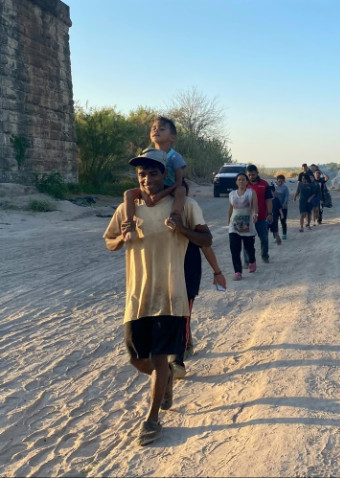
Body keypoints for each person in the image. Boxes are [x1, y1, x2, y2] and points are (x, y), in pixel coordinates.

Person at [103, 148, 212, 447]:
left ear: (164, 175)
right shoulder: (128, 209)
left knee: (159, 357)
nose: (147, 178)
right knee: (137, 359)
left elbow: (206, 239)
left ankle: (151, 419)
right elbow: (110, 243)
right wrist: (121, 235)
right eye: (142, 174)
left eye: (153, 173)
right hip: (138, 296)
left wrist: (183, 229)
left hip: (171, 294)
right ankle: (162, 383)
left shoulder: (185, 205)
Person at [121, 117, 187, 242]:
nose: (156, 130)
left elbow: (179, 181)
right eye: (154, 128)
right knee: (128, 194)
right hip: (150, 186)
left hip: (170, 187)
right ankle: (129, 225)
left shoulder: (175, 157)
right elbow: (142, 177)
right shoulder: (147, 154)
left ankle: (174, 217)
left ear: (172, 137)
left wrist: (160, 195)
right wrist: (145, 195)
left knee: (181, 190)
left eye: (162, 129)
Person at [170, 241, 227, 380]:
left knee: (182, 315)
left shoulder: (192, 220)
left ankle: (177, 361)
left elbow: (205, 244)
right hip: (165, 274)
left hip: (188, 273)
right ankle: (186, 342)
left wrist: (217, 272)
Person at [228, 172, 258, 278]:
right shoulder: (232, 194)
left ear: (247, 182)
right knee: (234, 249)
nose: (241, 181)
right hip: (234, 225)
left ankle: (252, 261)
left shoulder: (251, 192)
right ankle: (238, 272)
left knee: (249, 247)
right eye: (239, 179)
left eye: (243, 179)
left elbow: (255, 207)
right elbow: (231, 208)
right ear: (236, 182)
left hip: (247, 223)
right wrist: (228, 220)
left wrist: (255, 214)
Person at [245, 164, 273, 263]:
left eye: (253, 174)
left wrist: (270, 213)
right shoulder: (244, 185)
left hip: (261, 217)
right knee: (247, 241)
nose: (251, 176)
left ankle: (265, 256)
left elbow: (268, 200)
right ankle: (247, 260)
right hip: (247, 218)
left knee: (264, 238)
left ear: (257, 173)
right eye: (249, 175)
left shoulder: (264, 184)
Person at [272, 174, 290, 240]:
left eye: (282, 181)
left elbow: (287, 196)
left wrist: (285, 202)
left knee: (283, 221)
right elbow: (271, 197)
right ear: (276, 181)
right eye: (279, 181)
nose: (280, 182)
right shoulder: (274, 187)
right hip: (275, 208)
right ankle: (275, 237)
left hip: (283, 207)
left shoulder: (285, 188)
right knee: (274, 222)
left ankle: (284, 233)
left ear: (284, 181)